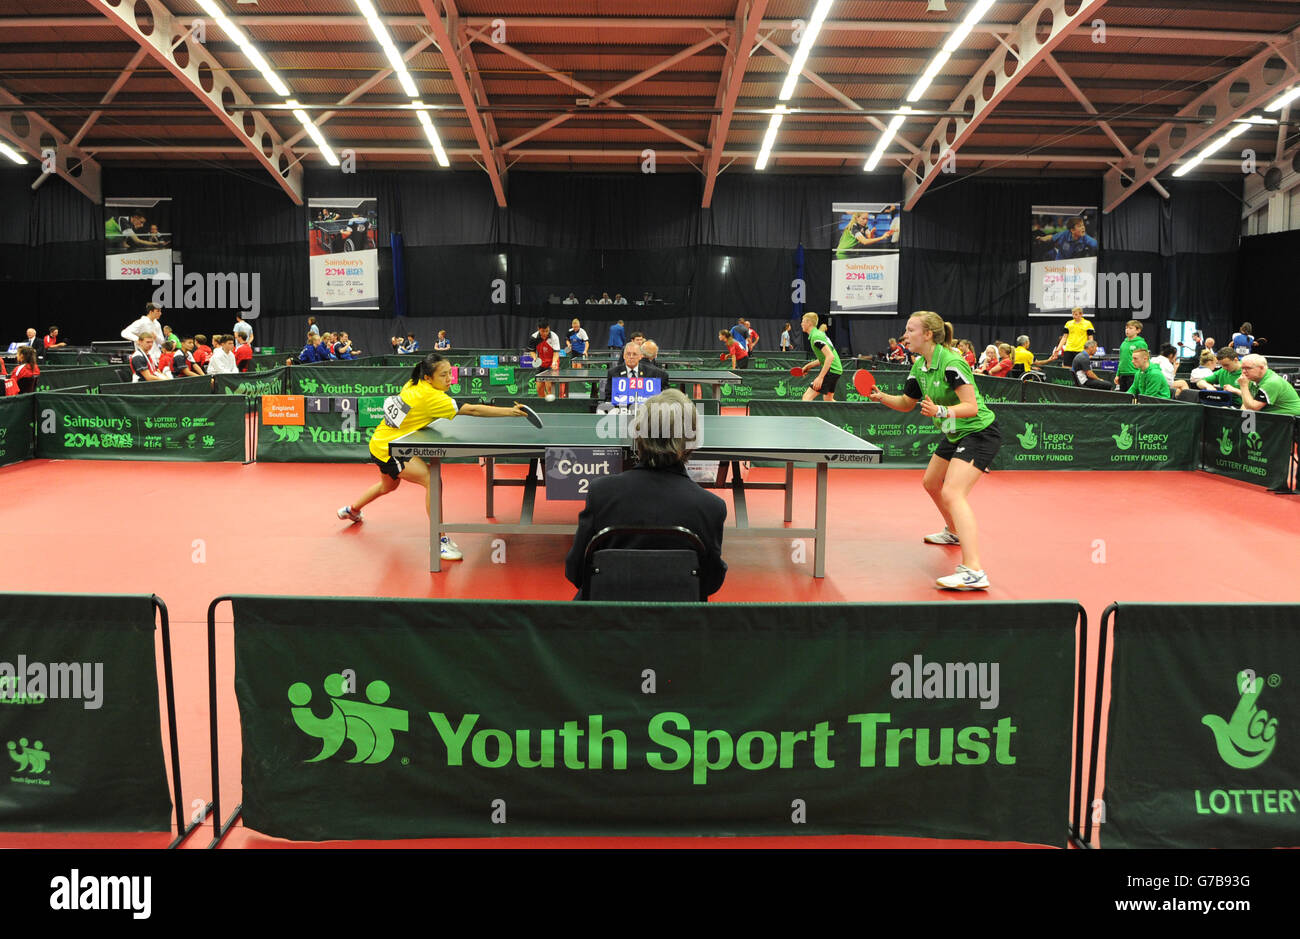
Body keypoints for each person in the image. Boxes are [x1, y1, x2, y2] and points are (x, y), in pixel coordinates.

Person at [338, 354, 530, 561]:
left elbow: (413, 413)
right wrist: (510, 412)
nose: (449, 379)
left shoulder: (413, 384)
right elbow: (472, 409)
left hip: (379, 441)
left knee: (388, 486)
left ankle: (351, 510)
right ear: (429, 377)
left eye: (451, 373)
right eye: (443, 375)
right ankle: (439, 540)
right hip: (390, 449)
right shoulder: (433, 397)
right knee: (432, 480)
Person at [867, 310, 1001, 590]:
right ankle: (953, 531)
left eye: (910, 330)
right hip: (954, 432)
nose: (905, 335)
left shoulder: (952, 363)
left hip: (978, 432)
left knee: (953, 492)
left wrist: (941, 409)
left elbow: (972, 407)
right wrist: (881, 397)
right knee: (930, 482)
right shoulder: (919, 366)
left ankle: (974, 570)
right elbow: (906, 402)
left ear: (928, 334)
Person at [565, 389, 726, 599]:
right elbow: (709, 583)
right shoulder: (711, 506)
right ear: (692, 440)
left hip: (606, 620)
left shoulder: (600, 493)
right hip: (679, 622)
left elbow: (576, 571)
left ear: (638, 434)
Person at [799, 312, 842, 401]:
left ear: (809, 323)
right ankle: (847, 413)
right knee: (828, 400)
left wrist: (820, 377)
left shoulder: (816, 336)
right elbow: (823, 358)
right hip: (836, 369)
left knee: (806, 398)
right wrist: (808, 366)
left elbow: (830, 357)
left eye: (803, 321)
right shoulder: (817, 334)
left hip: (831, 369)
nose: (801, 324)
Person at [1115, 319, 1147, 393]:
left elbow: (1145, 360)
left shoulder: (1141, 343)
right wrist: (1117, 375)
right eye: (1126, 328)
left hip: (1134, 375)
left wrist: (1142, 374)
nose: (1127, 330)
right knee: (1123, 398)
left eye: (1130, 328)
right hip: (1123, 375)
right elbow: (1121, 360)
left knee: (1133, 398)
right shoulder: (1124, 343)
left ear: (1138, 330)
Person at [531, 322, 561, 398]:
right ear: (538, 329)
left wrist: (554, 362)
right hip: (540, 363)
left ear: (549, 328)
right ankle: (544, 403)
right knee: (539, 389)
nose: (545, 333)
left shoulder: (554, 337)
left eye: (547, 330)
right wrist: (535, 358)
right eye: (543, 331)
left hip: (551, 363)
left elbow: (556, 353)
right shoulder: (534, 337)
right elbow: (532, 351)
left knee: (549, 387)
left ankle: (551, 405)